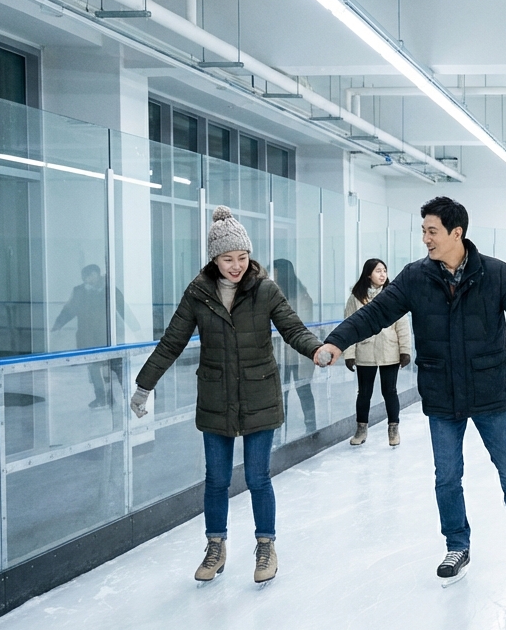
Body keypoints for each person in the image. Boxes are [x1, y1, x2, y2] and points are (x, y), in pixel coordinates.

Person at [314, 196, 506, 584]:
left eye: (432, 231)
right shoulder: (414, 277)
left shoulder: (495, 274)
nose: (425, 238)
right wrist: (337, 341)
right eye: (423, 230)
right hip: (441, 391)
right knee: (447, 475)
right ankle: (457, 544)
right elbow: (374, 314)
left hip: (489, 388)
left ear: (456, 233)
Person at [129, 206, 322, 584]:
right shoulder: (198, 294)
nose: (237, 266)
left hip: (260, 393)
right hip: (216, 396)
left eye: (243, 257)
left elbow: (292, 328)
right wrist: (144, 385)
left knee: (257, 476)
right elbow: (172, 342)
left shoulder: (265, 289)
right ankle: (215, 546)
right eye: (228, 258)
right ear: (214, 259)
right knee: (216, 478)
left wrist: (316, 349)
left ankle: (266, 545)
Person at [344, 258, 411, 447]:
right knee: (364, 393)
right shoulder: (356, 298)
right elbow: (349, 326)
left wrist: (405, 350)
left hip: (389, 350)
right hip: (365, 352)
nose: (383, 274)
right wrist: (349, 354)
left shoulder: (393, 295)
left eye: (384, 270)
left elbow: (402, 326)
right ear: (368, 275)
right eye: (378, 271)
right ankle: (361, 429)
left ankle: (393, 429)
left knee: (390, 391)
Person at [51, 264, 123, 408]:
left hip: (107, 337)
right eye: (85, 276)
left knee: (116, 367)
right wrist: (58, 325)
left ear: (97, 275)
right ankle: (102, 398)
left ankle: (134, 393)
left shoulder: (110, 290)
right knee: (94, 369)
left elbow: (122, 308)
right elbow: (68, 310)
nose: (87, 279)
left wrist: (137, 329)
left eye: (90, 275)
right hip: (87, 337)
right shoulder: (79, 291)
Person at [272, 258, 319, 438]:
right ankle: (278, 433)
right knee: (279, 396)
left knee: (304, 391)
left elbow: (302, 328)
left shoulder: (301, 296)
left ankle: (311, 427)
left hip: (298, 356)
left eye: (276, 272)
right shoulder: (274, 294)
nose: (273, 276)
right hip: (279, 356)